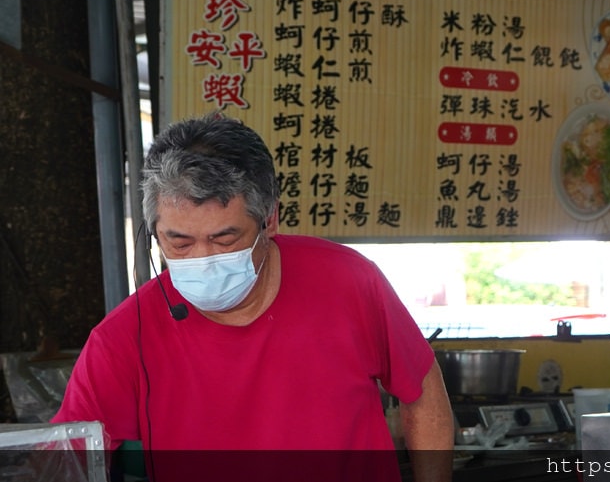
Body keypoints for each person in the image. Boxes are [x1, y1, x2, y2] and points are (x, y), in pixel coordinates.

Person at [53, 113, 453, 481]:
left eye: (225, 239)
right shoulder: (122, 339)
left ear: (270, 218)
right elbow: (65, 460)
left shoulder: (349, 281)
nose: (204, 259)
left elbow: (421, 387)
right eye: (179, 243)